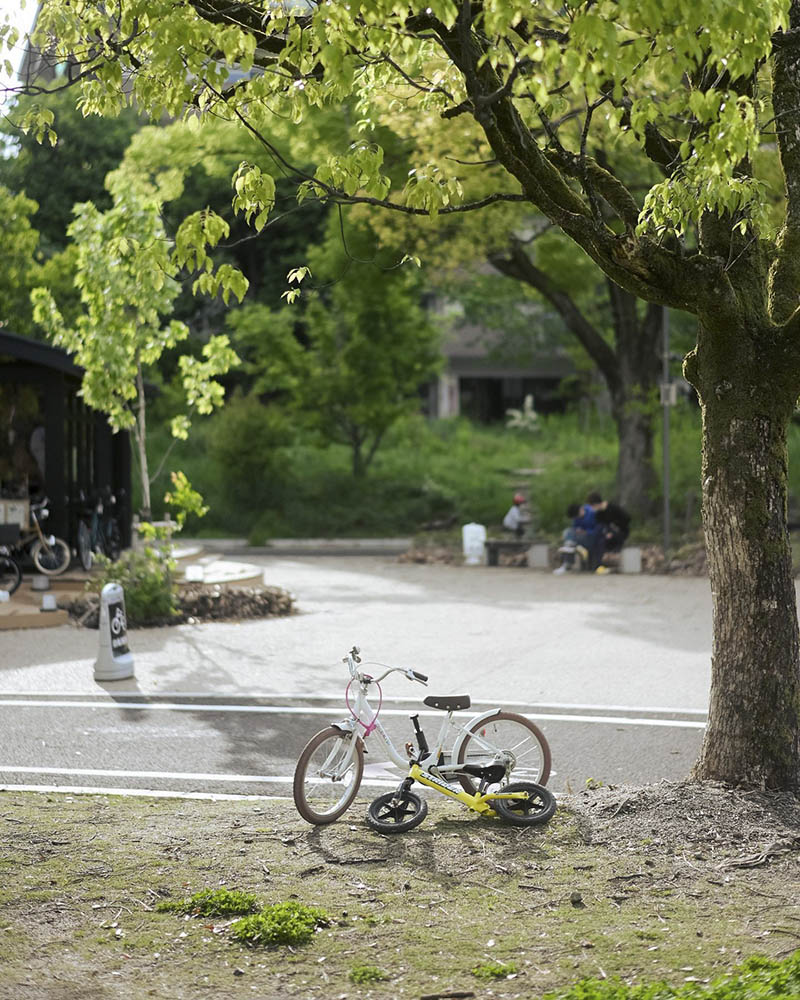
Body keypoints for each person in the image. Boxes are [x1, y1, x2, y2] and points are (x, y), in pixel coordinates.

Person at [586, 491, 631, 569]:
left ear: (596, 504)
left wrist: (614, 527)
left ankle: (600, 564)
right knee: (594, 536)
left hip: (620, 531)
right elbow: (601, 526)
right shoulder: (598, 514)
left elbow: (627, 519)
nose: (592, 509)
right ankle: (592, 564)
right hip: (606, 532)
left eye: (592, 507)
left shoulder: (613, 508)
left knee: (602, 541)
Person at [553, 501, 600, 574]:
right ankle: (570, 547)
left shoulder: (592, 513)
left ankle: (567, 562)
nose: (577, 518)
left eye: (576, 516)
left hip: (591, 539)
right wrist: (578, 530)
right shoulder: (577, 517)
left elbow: (598, 530)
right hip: (579, 538)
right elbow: (574, 527)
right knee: (568, 532)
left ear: (581, 510)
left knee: (569, 538)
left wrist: (586, 531)